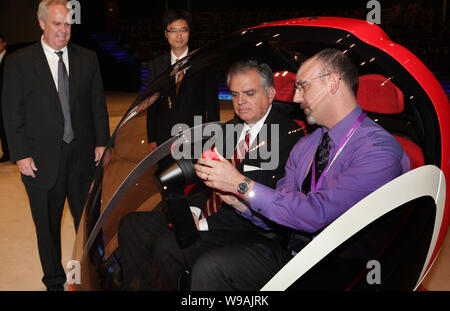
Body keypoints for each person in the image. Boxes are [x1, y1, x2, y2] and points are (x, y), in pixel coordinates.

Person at [192, 49, 410, 290]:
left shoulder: (378, 150)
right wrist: (239, 202)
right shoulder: (307, 144)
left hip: (346, 268)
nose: (296, 98)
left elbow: (317, 214)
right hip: (297, 255)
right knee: (209, 266)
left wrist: (240, 184)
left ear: (332, 83)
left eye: (303, 86)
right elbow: (283, 214)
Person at [117, 60, 304, 290]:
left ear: (271, 93)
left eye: (249, 93)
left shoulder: (289, 138)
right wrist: (194, 212)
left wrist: (202, 224)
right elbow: (202, 183)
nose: (241, 102)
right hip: (210, 216)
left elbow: (268, 206)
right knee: (131, 225)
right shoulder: (228, 130)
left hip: (248, 228)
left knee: (170, 245)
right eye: (235, 94)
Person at [1, 0, 110, 290]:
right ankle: (53, 281)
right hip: (39, 160)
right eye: (57, 24)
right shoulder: (18, 62)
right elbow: (12, 112)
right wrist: (20, 154)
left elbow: (97, 104)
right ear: (41, 23)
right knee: (46, 227)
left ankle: (91, 274)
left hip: (82, 158)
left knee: (88, 223)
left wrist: (102, 142)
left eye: (67, 24)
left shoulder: (87, 58)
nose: (63, 31)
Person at [145, 9, 219, 152]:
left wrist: (213, 138)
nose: (179, 35)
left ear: (189, 32)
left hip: (196, 137)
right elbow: (152, 105)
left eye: (183, 30)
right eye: (173, 30)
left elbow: (212, 105)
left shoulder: (203, 64)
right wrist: (151, 138)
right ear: (166, 34)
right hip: (164, 138)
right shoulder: (156, 65)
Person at [0, 34, 9, 162]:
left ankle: (11, 153)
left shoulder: (11, 58)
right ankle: (6, 152)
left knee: (8, 126)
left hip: (7, 98)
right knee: (2, 127)